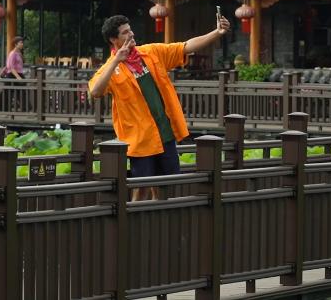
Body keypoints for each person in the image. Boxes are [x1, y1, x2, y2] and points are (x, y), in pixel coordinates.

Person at [89, 13, 230, 201]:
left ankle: (161, 219)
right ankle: (137, 219)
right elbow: (95, 92)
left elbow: (186, 47)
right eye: (125, 32)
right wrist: (116, 60)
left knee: (166, 186)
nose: (131, 34)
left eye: (130, 30)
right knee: (141, 188)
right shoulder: (110, 68)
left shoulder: (151, 52)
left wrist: (217, 32)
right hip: (140, 139)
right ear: (114, 40)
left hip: (164, 133)